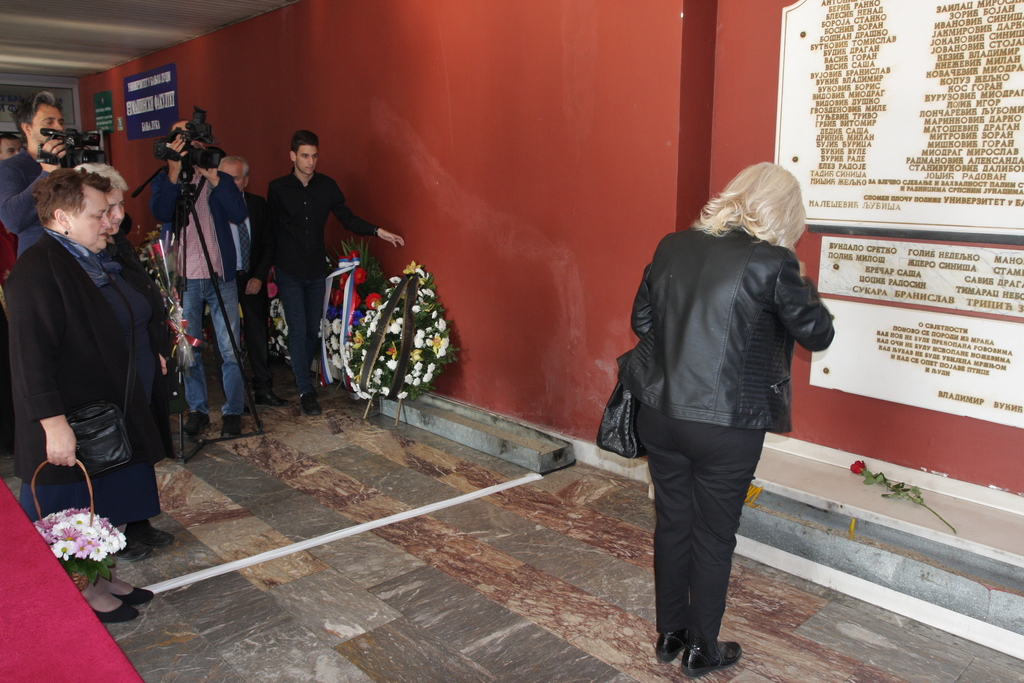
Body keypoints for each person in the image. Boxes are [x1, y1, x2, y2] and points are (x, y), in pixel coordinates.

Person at [618, 162, 835, 678]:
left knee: (673, 522)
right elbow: (818, 334)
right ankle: (702, 648)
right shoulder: (775, 263)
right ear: (785, 212)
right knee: (713, 536)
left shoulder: (673, 245)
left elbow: (642, 321)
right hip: (726, 426)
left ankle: (670, 634)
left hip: (662, 413)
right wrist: (798, 282)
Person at [7, 168, 170, 623]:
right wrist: (53, 424)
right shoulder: (36, 270)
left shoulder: (87, 257)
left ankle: (103, 575)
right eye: (98, 215)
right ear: (62, 218)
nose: (108, 223)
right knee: (71, 508)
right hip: (71, 416)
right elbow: (30, 357)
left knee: (102, 502)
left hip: (103, 410)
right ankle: (83, 591)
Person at [79, 162, 177, 558]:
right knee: (115, 444)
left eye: (120, 206)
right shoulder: (83, 252)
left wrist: (156, 345)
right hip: (111, 363)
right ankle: (113, 526)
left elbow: (139, 295)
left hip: (140, 352)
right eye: (110, 208)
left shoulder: (115, 241)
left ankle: (138, 519)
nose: (118, 216)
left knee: (140, 440)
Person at [268, 129, 404, 415]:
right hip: (289, 270)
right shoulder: (278, 188)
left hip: (316, 271)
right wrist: (264, 270)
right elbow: (271, 230)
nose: (310, 162)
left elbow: (347, 218)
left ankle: (303, 379)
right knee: (298, 328)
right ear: (293, 156)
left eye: (314, 156)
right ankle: (305, 389)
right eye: (305, 156)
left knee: (311, 329)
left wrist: (377, 231)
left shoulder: (326, 186)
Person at [150, 120, 248, 438]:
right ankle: (198, 410)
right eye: (182, 138)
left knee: (229, 349)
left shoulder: (218, 176)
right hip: (186, 279)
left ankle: (233, 411)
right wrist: (174, 172)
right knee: (188, 349)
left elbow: (238, 214)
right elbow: (161, 212)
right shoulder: (166, 178)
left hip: (221, 276)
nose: (189, 145)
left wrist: (215, 178)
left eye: (193, 139)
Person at [218, 155, 286, 406]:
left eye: (235, 178)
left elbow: (269, 244)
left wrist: (259, 276)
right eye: (224, 178)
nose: (230, 184)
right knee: (226, 336)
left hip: (252, 276)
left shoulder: (257, 205)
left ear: (245, 180)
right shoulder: (213, 206)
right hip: (224, 278)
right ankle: (233, 396)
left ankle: (263, 388)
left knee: (257, 333)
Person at [0, 92, 66, 256]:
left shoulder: (69, 161)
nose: (58, 128)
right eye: (49, 122)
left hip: (80, 259)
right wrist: (47, 174)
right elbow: (14, 221)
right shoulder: (10, 167)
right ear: (27, 128)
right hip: (39, 259)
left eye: (60, 122)